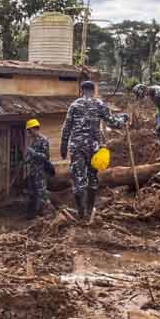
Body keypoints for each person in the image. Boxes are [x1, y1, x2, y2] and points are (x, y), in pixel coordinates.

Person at [61, 80, 128, 221]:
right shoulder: (99, 104)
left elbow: (66, 127)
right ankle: (90, 209)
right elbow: (113, 122)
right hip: (94, 147)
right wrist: (123, 119)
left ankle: (81, 213)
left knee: (79, 179)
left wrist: (63, 145)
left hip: (77, 147)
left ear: (82, 90)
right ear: (94, 90)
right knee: (92, 179)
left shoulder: (74, 105)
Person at [24, 119, 53, 219]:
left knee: (42, 192)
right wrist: (27, 159)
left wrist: (34, 153)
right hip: (33, 170)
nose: (28, 132)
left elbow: (45, 157)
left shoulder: (43, 140)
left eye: (29, 130)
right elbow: (31, 156)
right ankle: (35, 213)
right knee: (33, 192)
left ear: (34, 128)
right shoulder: (34, 141)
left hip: (41, 171)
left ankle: (48, 213)